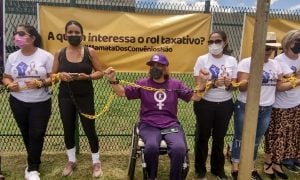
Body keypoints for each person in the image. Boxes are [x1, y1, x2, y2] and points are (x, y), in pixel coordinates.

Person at [105, 53, 207, 180]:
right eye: (152, 65)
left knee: (179, 148)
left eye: (159, 65)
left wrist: (202, 83)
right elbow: (121, 92)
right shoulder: (142, 83)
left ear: (166, 68)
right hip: (149, 124)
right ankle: (151, 177)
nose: (155, 68)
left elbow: (195, 97)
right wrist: (112, 79)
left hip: (170, 124)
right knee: (151, 147)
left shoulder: (175, 84)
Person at [51, 20, 104, 177]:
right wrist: (60, 75)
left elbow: (99, 72)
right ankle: (71, 160)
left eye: (76, 32)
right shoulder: (59, 54)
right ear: (65, 34)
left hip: (85, 96)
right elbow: (52, 76)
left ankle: (96, 161)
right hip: (65, 96)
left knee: (89, 129)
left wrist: (87, 76)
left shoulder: (90, 52)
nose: (73, 35)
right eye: (70, 32)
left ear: (82, 34)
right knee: (68, 128)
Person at [2, 24, 54, 180]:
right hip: (18, 101)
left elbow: (53, 78)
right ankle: (32, 161)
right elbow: (6, 76)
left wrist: (42, 83)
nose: (16, 37)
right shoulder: (12, 57)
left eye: (21, 34)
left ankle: (32, 169)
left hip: (41, 102)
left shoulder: (45, 56)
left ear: (32, 38)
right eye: (16, 33)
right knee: (26, 133)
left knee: (37, 133)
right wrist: (9, 85)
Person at [230, 32, 285, 180]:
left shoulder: (275, 64)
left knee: (256, 139)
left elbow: (278, 86)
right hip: (246, 105)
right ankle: (235, 165)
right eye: (266, 48)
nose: (268, 52)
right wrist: (254, 73)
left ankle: (250, 166)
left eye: (271, 49)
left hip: (267, 107)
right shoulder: (247, 62)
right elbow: (241, 88)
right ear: (258, 47)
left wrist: (295, 81)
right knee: (240, 136)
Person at [193, 30, 238, 180]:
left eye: (217, 41)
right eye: (210, 42)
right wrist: (212, 83)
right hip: (205, 104)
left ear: (224, 43)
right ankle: (200, 170)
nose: (214, 44)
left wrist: (229, 84)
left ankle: (217, 169)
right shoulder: (202, 59)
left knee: (219, 138)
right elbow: (198, 85)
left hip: (225, 104)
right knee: (202, 137)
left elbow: (235, 85)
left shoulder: (231, 60)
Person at [264, 30, 300, 179]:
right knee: (277, 136)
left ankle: (285, 160)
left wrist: (293, 79)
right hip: (281, 105)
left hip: (296, 102)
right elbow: (282, 85)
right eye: (297, 40)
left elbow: (291, 81)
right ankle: (272, 163)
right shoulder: (279, 60)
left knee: (291, 136)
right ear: (288, 42)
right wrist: (295, 79)